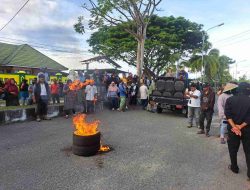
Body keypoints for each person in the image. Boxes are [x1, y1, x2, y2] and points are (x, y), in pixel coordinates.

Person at [225, 82, 250, 179]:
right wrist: (240, 126)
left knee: (233, 150)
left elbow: (228, 115)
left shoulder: (230, 99)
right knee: (248, 151)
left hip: (233, 129)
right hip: (247, 129)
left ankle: (234, 168)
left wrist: (235, 127)